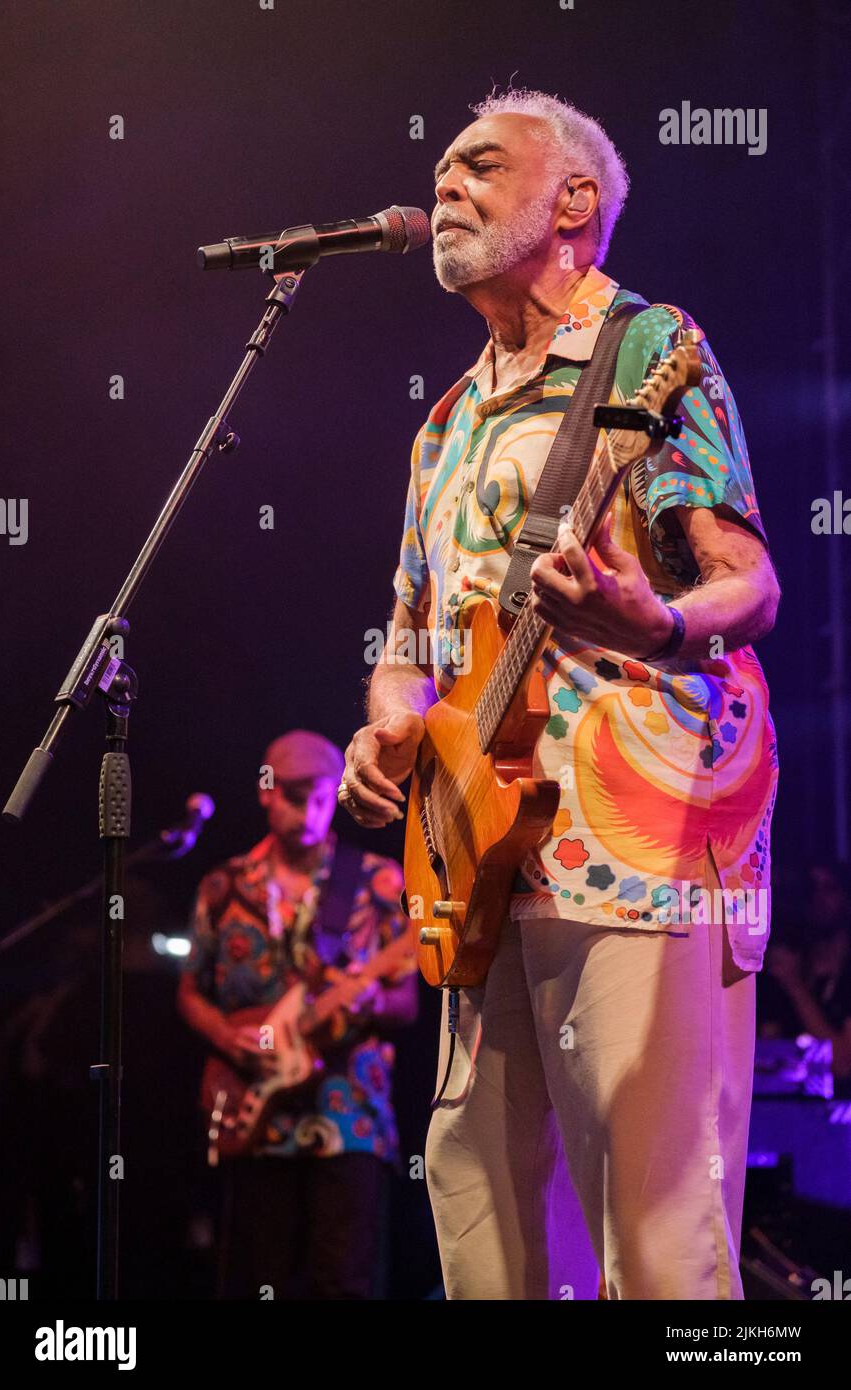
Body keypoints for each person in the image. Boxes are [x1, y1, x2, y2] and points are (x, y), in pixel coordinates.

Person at [338, 87, 780, 1300]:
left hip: (641, 842)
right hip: (479, 861)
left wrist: (661, 618)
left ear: (572, 200)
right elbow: (407, 637)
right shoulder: (442, 425)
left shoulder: (649, 349)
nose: (444, 190)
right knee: (481, 1226)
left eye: (478, 164)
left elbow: (749, 583)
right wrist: (386, 724)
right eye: (435, 176)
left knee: (658, 1246)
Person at [177, 729, 418, 1299]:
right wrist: (226, 1036)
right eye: (292, 795)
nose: (308, 811)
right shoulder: (223, 885)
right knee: (256, 1280)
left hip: (348, 1116)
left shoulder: (379, 882)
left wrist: (372, 1000)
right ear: (266, 791)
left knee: (345, 1283)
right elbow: (189, 990)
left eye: (320, 796)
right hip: (252, 1113)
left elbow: (406, 1003)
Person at [763, 860, 851, 1097]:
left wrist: (794, 986)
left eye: (829, 888)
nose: (819, 899)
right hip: (784, 1111)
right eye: (812, 889)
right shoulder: (785, 965)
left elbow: (842, 1064)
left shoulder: (796, 977)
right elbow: (766, 1054)